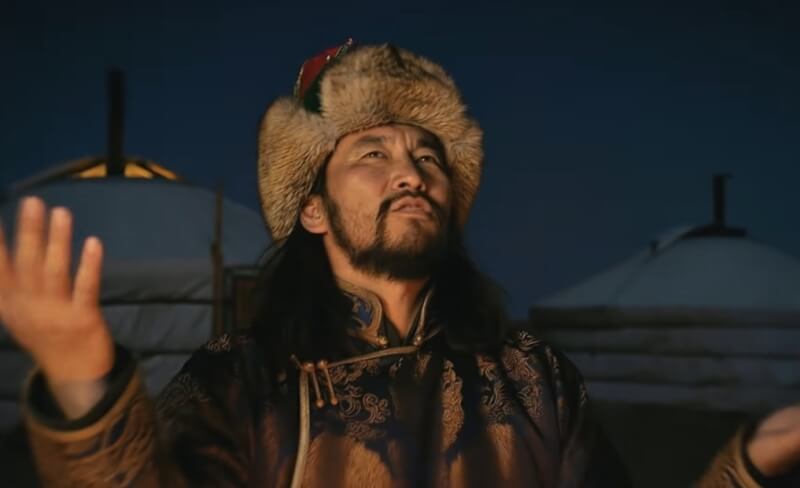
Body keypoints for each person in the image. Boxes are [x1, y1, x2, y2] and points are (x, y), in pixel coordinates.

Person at [0, 40, 797, 487]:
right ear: (313, 209)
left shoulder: (535, 379)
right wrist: (84, 386)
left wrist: (744, 471)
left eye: (428, 156)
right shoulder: (239, 379)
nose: (411, 173)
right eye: (372, 154)